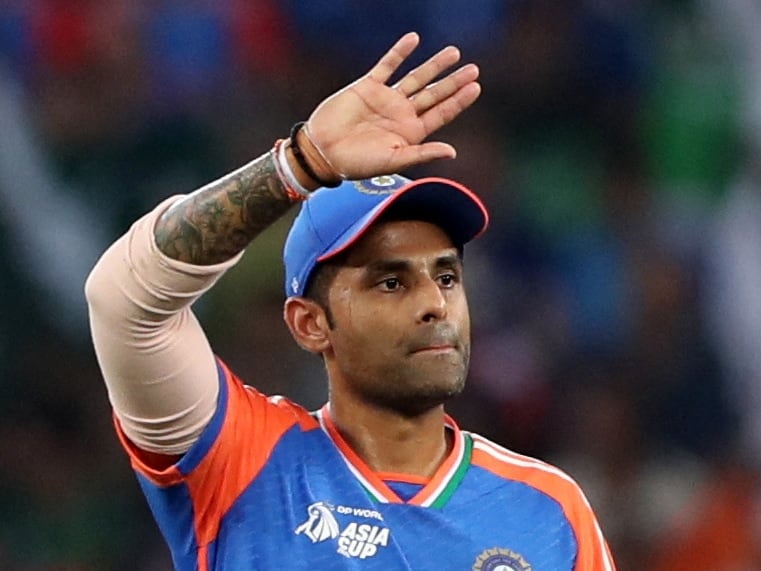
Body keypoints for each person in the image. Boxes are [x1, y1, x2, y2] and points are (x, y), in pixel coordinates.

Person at [86, 32, 616, 570]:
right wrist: (298, 165)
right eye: (391, 283)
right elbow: (121, 298)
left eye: (447, 277)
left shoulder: (549, 510)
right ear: (310, 323)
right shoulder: (241, 460)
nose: (435, 304)